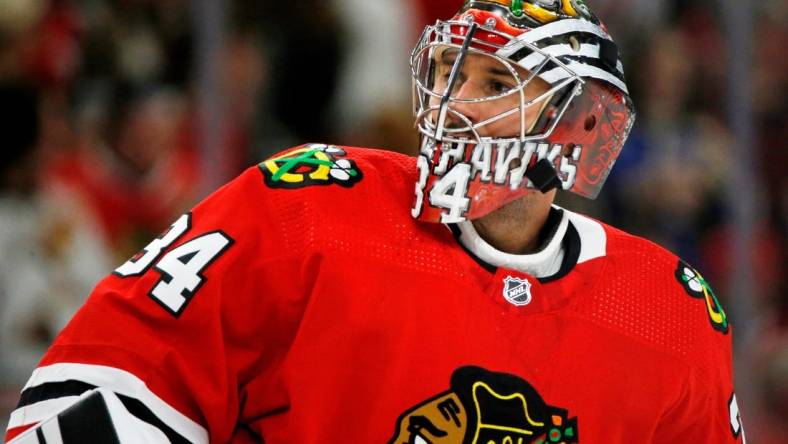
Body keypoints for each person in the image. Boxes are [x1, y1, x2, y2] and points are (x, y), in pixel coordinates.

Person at [5, 1, 744, 443]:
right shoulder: (305, 206)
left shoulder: (670, 312)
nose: (453, 103)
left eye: (493, 83)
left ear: (578, 125)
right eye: (450, 73)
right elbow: (108, 382)